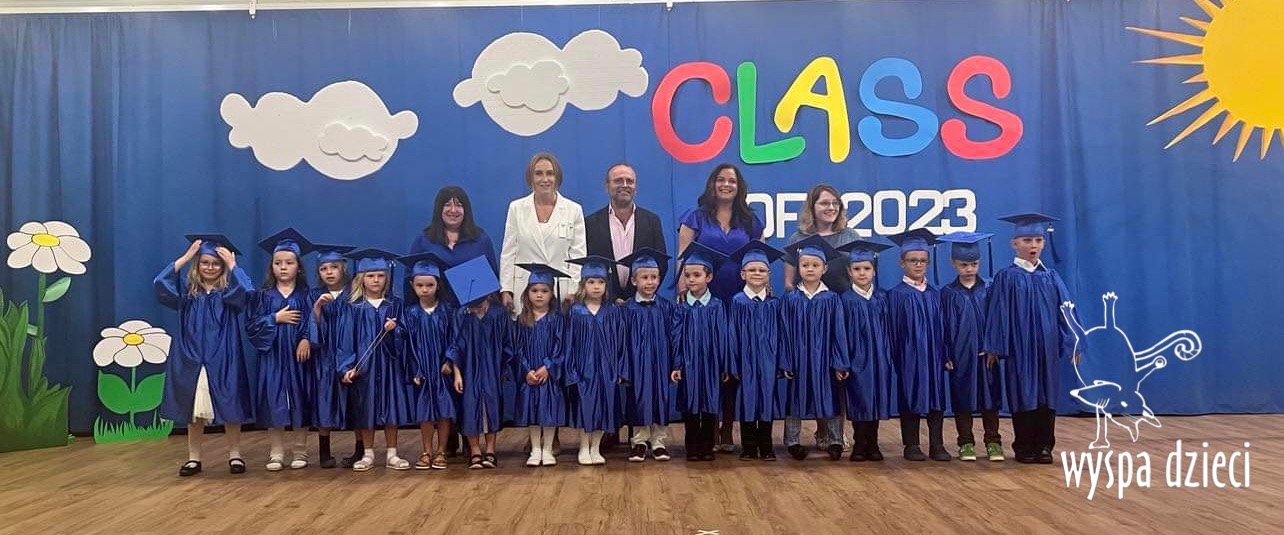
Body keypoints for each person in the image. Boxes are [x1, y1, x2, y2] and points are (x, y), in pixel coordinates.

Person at [677, 163, 764, 451]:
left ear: (740, 187)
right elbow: (683, 256)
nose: (726, 184)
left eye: (732, 181)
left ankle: (727, 427)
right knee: (708, 362)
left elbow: (759, 256)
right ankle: (709, 427)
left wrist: (763, 287)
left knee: (732, 364)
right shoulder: (695, 217)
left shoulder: (750, 221)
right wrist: (682, 288)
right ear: (712, 183)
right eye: (721, 179)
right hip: (705, 302)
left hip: (740, 302)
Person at [984, 213, 1082, 464]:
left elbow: (1066, 310)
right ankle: (1024, 446)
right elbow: (997, 313)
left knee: (1047, 394)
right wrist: (994, 345)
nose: (1033, 245)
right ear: (1014, 243)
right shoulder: (1007, 277)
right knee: (1023, 392)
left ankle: (1045, 446)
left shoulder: (1051, 277)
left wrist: (1074, 341)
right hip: (1020, 347)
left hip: (1047, 347)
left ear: (1044, 243)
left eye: (1038, 240)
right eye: (1027, 240)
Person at [155, 234, 254, 477]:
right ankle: (194, 458)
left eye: (215, 264)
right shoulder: (187, 294)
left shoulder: (228, 293)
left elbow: (247, 291)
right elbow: (160, 282)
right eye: (204, 263)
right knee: (194, 409)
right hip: (191, 356)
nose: (210, 268)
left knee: (230, 405)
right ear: (197, 265)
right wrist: (186, 257)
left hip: (224, 356)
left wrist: (233, 264)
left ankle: (235, 455)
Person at [246, 228, 316, 472]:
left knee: (300, 400)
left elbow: (313, 320)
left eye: (289, 262)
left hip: (298, 356)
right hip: (273, 355)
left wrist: (306, 339)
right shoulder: (263, 296)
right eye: (278, 263)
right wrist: (274, 318)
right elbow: (252, 325)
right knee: (273, 400)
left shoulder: (306, 295)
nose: (283, 267)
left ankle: (300, 451)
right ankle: (276, 453)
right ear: (271, 267)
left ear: (299, 267)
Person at [339, 248, 412, 472]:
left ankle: (392, 453)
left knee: (391, 408)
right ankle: (368, 453)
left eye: (380, 275)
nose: (376, 280)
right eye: (371, 276)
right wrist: (347, 366)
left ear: (387, 278)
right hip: (365, 368)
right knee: (365, 409)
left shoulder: (395, 305)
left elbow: (405, 336)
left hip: (390, 366)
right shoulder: (353, 308)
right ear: (361, 278)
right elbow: (345, 339)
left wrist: (395, 329)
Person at [779, 235, 851, 461]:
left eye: (815, 265)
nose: (810, 269)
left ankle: (835, 440)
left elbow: (839, 332)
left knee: (830, 396)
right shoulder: (791, 299)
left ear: (824, 268)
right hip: (798, 359)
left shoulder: (832, 299)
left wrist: (840, 362)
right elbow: (784, 332)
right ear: (798, 267)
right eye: (805, 265)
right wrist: (786, 361)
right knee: (795, 398)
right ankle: (793, 442)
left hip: (825, 359)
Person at [938, 232, 1006, 462]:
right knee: (962, 398)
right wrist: (946, 354)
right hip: (960, 355)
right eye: (964, 264)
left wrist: (994, 346)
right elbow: (943, 326)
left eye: (974, 264)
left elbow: (998, 320)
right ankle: (965, 442)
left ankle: (993, 441)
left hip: (987, 354)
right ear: (953, 263)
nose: (969, 269)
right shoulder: (947, 293)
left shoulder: (990, 288)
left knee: (990, 398)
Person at [885, 229, 950, 462]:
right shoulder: (896, 295)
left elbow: (944, 327)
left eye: (923, 260)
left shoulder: (935, 294)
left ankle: (937, 444)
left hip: (933, 354)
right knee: (909, 395)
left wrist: (945, 354)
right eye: (913, 260)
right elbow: (892, 330)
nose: (918, 264)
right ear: (901, 262)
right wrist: (896, 357)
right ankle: (911, 444)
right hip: (908, 355)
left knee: (936, 397)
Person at [445, 256, 512, 470]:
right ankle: (475, 451)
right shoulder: (461, 314)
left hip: (492, 367)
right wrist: (457, 373)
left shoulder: (498, 313)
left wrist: (503, 368)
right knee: (469, 406)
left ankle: (490, 450)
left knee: (492, 406)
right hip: (469, 369)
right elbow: (455, 344)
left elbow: (507, 343)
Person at [499, 152, 587, 314]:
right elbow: (509, 253)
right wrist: (506, 289)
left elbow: (578, 255)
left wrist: (574, 289)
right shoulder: (516, 208)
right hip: (525, 290)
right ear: (530, 178)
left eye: (550, 173)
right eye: (538, 173)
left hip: (560, 292)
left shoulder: (574, 210)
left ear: (557, 177)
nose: (544, 179)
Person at [397, 252, 459, 470]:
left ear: (438, 285)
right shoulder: (410, 313)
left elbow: (455, 338)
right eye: (420, 285)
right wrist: (414, 369)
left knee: (444, 412)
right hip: (422, 370)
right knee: (424, 414)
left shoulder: (448, 311)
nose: (425, 289)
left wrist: (449, 361)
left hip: (442, 370)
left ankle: (441, 451)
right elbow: (406, 345)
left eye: (430, 285)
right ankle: (426, 451)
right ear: (412, 285)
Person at [671, 243, 731, 462]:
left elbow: (723, 337)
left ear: (709, 277)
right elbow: (676, 337)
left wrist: (724, 365)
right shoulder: (681, 307)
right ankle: (692, 447)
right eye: (687, 275)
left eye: (697, 275)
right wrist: (677, 364)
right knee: (690, 405)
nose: (691, 279)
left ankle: (707, 446)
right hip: (688, 364)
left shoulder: (716, 306)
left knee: (709, 403)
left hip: (711, 363)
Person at [727, 241, 787, 461]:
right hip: (745, 361)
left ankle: (767, 446)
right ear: (742, 274)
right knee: (747, 400)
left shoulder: (774, 303)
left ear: (769, 275)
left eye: (762, 270)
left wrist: (782, 362)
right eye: (752, 269)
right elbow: (731, 335)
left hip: (769, 360)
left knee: (767, 399)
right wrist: (733, 364)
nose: (757, 273)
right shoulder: (737, 302)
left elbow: (782, 335)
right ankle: (749, 446)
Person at [836, 239, 895, 462]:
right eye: (857, 269)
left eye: (867, 268)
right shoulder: (845, 300)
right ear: (849, 271)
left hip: (879, 357)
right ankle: (860, 443)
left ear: (874, 271)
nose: (862, 273)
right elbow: (840, 333)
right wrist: (843, 361)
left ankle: (874, 443)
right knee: (859, 398)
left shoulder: (882, 298)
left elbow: (890, 329)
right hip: (856, 358)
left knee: (876, 398)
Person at [564, 255, 627, 465]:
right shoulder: (575, 312)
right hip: (584, 370)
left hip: (606, 369)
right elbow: (569, 343)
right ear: (583, 285)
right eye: (591, 282)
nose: (596, 286)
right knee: (585, 407)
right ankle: (584, 446)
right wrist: (571, 370)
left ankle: (596, 447)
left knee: (604, 407)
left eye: (601, 282)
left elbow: (620, 343)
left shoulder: (612, 312)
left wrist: (620, 370)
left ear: (606, 285)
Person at [617, 248, 676, 462]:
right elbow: (621, 342)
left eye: (654, 277)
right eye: (644, 278)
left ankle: (659, 441)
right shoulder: (626, 309)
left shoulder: (666, 307)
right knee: (638, 399)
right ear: (634, 280)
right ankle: (639, 442)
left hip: (660, 362)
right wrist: (623, 368)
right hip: (636, 363)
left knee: (660, 399)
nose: (650, 282)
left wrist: (674, 364)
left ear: (659, 279)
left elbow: (673, 338)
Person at [511, 263, 571, 467]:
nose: (539, 295)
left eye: (544, 291)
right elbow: (517, 349)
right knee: (532, 412)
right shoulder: (522, 320)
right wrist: (526, 370)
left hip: (548, 376)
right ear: (527, 293)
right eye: (534, 290)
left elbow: (561, 347)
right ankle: (535, 449)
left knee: (549, 412)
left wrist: (547, 367)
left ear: (552, 294)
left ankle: (547, 449)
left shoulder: (557, 319)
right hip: (530, 375)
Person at [585, 163, 668, 302]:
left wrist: (640, 297)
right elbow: (589, 265)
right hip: (605, 305)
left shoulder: (652, 221)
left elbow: (661, 264)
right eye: (618, 180)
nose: (624, 185)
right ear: (606, 186)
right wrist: (611, 298)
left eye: (629, 181)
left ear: (635, 187)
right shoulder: (591, 223)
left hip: (641, 304)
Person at [409, 185, 500, 305]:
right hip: (435, 312)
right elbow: (410, 277)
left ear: (466, 210)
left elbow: (493, 278)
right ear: (439, 209)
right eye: (447, 205)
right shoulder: (424, 239)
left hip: (471, 312)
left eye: (459, 205)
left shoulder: (481, 239)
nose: (453, 210)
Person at [307, 244, 355, 468]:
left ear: (343, 268)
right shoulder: (314, 296)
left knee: (355, 403)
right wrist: (317, 308)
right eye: (323, 268)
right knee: (324, 401)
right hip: (324, 357)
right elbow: (310, 331)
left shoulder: (354, 295)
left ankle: (360, 449)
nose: (329, 272)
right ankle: (324, 452)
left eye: (333, 267)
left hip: (350, 355)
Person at [783, 184, 860, 293]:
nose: (831, 208)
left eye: (835, 203)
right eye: (824, 203)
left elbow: (861, 276)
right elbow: (789, 284)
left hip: (844, 301)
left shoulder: (850, 236)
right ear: (811, 207)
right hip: (807, 301)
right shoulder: (798, 238)